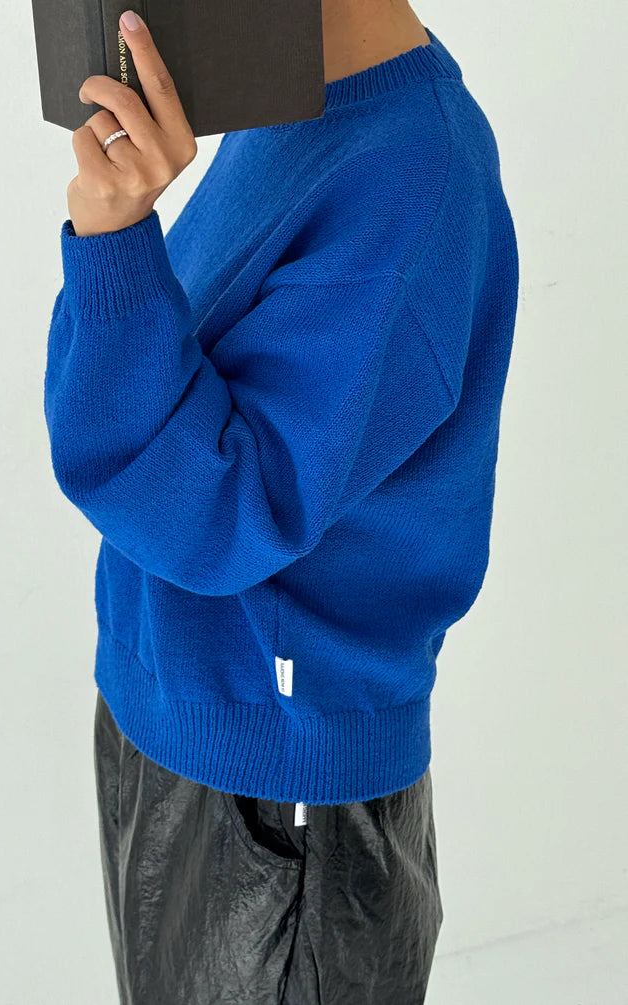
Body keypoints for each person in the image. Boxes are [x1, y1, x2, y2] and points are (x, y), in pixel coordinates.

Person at [43, 1, 519, 1002]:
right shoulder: (297, 108)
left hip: (275, 791)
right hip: (177, 721)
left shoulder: (413, 178)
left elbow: (215, 516)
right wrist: (112, 233)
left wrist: (115, 238)